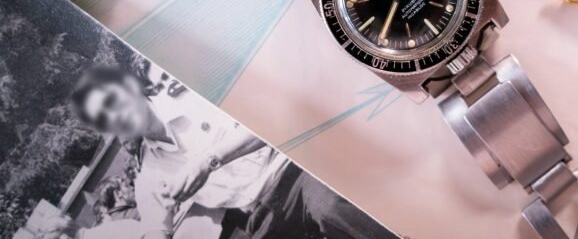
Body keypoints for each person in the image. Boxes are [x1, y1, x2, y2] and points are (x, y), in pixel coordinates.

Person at [71, 68, 395, 239]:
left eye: (111, 101)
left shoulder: (190, 89)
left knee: (328, 206)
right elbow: (155, 229)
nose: (114, 116)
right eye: (103, 118)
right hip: (261, 215)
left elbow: (272, 121)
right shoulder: (150, 177)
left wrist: (209, 161)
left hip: (295, 168)